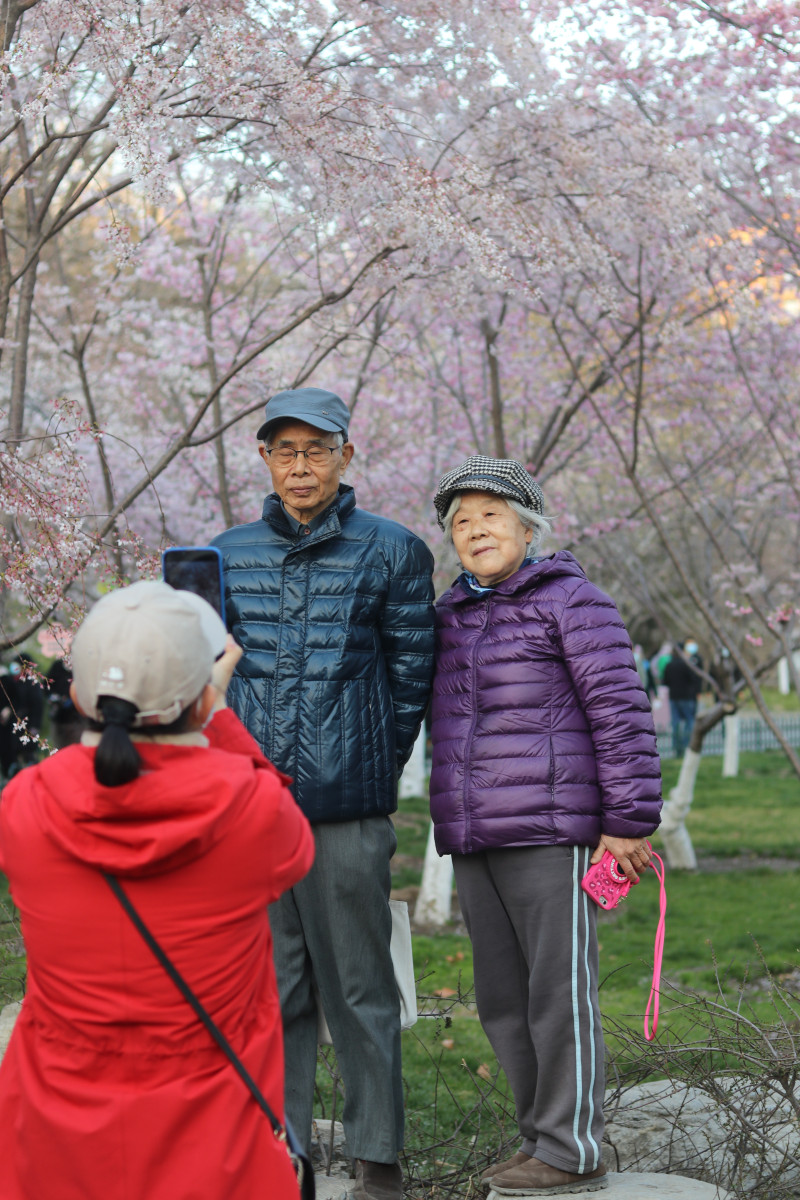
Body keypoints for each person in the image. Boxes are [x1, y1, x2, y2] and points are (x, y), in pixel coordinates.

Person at [0, 581, 314, 1200]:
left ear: (82, 692)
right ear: (198, 699)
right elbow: (285, 827)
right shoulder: (251, 809)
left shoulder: (23, 806)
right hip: (213, 1133)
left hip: (53, 1131)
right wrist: (217, 715)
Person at [212, 386, 435, 1200]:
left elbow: (413, 679)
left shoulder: (393, 550)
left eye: (316, 449)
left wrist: (368, 765)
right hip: (251, 812)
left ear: (346, 455)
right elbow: (208, 674)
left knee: (361, 986)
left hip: (348, 811)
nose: (299, 466)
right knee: (271, 990)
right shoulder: (227, 552)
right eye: (284, 450)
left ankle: (379, 1158)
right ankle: (284, 1154)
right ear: (265, 459)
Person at [428, 456, 662, 1197]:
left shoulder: (573, 602)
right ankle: (540, 1140)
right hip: (475, 835)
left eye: (490, 516)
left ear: (528, 526)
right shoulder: (451, 613)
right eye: (461, 523)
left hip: (552, 831)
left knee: (557, 994)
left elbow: (621, 716)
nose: (475, 531)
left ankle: (573, 1146)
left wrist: (626, 822)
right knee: (503, 999)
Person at [662, 638, 704, 757]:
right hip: (687, 697)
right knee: (689, 721)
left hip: (673, 697)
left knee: (675, 722)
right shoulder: (687, 664)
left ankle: (676, 747)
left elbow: (665, 681)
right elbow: (694, 679)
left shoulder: (669, 665)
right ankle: (686, 745)